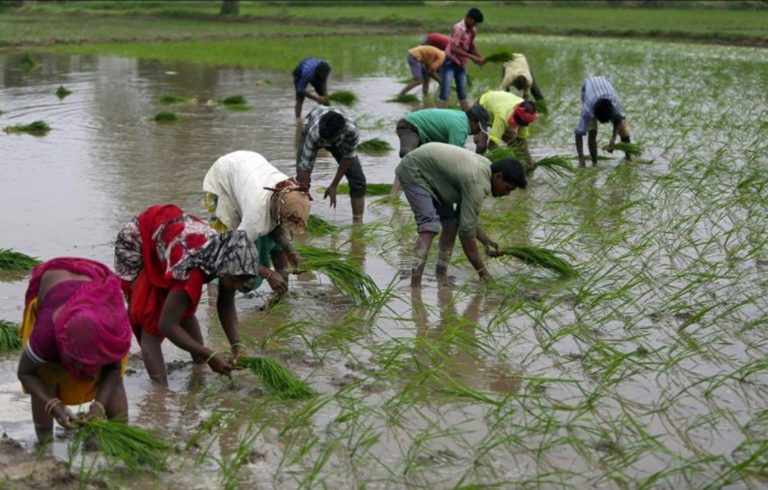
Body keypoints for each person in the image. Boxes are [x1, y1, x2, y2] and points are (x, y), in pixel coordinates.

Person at [114, 204, 260, 386]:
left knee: (181, 307)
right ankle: (160, 394)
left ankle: (198, 365)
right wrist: (210, 354)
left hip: (170, 238)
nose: (234, 287)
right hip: (138, 243)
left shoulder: (226, 257)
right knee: (151, 321)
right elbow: (166, 325)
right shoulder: (191, 270)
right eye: (234, 281)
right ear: (224, 271)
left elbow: (225, 304)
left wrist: (237, 346)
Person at [17, 257, 132, 444]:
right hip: (54, 284)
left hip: (95, 281)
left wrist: (99, 406)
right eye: (74, 360)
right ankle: (44, 448)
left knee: (115, 382)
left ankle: (121, 439)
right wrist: (53, 405)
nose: (79, 369)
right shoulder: (46, 335)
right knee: (45, 375)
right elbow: (25, 373)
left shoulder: (110, 333)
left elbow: (113, 369)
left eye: (86, 363)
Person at [395, 142, 527, 288]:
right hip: (414, 170)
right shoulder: (478, 183)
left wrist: (486, 241)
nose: (506, 194)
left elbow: (466, 219)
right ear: (498, 176)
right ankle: (414, 286)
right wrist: (483, 274)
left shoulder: (485, 170)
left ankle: (440, 274)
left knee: (451, 225)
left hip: (435, 174)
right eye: (507, 188)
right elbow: (466, 234)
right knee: (428, 228)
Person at [203, 150, 310, 300]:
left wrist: (291, 253)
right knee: (223, 248)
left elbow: (278, 228)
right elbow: (235, 251)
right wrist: (269, 274)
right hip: (221, 182)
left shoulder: (289, 191)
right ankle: (214, 301)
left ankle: (282, 296)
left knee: (273, 238)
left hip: (247, 168)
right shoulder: (255, 216)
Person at [391, 105, 490, 196]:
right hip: (410, 126)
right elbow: (453, 158)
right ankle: (393, 195)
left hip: (423, 133)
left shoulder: (461, 118)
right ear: (473, 121)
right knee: (407, 158)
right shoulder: (461, 127)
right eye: (479, 127)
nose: (479, 131)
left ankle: (411, 191)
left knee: (419, 164)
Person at [297, 106, 367, 223]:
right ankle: (300, 219)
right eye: (325, 140)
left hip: (338, 139)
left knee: (358, 181)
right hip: (312, 130)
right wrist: (304, 191)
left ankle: (357, 223)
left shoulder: (351, 131)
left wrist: (334, 185)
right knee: (300, 183)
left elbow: (348, 158)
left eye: (330, 141)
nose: (327, 144)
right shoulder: (314, 133)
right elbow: (305, 168)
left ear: (341, 133)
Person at [575, 76, 632, 167]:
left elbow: (618, 119)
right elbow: (578, 134)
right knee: (592, 131)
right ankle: (594, 163)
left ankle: (628, 158)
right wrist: (581, 158)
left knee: (623, 129)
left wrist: (612, 142)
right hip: (587, 88)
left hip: (604, 83)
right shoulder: (588, 110)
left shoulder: (616, 104)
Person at [476, 90, 538, 171]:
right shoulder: (502, 116)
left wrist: (529, 161)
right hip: (483, 106)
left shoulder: (525, 117)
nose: (519, 126)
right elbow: (492, 145)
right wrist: (507, 162)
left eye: (522, 124)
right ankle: (477, 167)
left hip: (500, 106)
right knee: (482, 145)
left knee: (514, 144)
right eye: (518, 123)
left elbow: (521, 141)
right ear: (516, 115)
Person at [438, 7, 485, 111]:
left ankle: (467, 117)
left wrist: (479, 57)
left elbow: (471, 46)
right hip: (450, 62)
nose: (475, 24)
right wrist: (472, 57)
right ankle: (438, 115)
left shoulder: (472, 30)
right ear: (468, 18)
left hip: (461, 64)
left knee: (462, 92)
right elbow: (454, 49)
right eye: (475, 22)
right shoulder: (459, 28)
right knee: (445, 91)